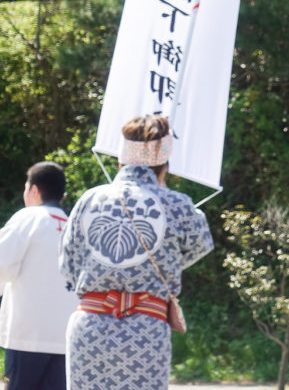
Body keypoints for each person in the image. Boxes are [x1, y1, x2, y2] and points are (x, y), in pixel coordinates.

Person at [59, 114, 213, 390]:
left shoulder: (90, 199)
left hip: (89, 329)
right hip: (145, 330)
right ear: (165, 163)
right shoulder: (178, 204)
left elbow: (68, 265)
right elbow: (199, 245)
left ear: (121, 159)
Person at [0, 162, 79, 390]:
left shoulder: (28, 218)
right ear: (62, 195)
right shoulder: (74, 227)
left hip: (27, 335)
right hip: (66, 338)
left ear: (34, 190)